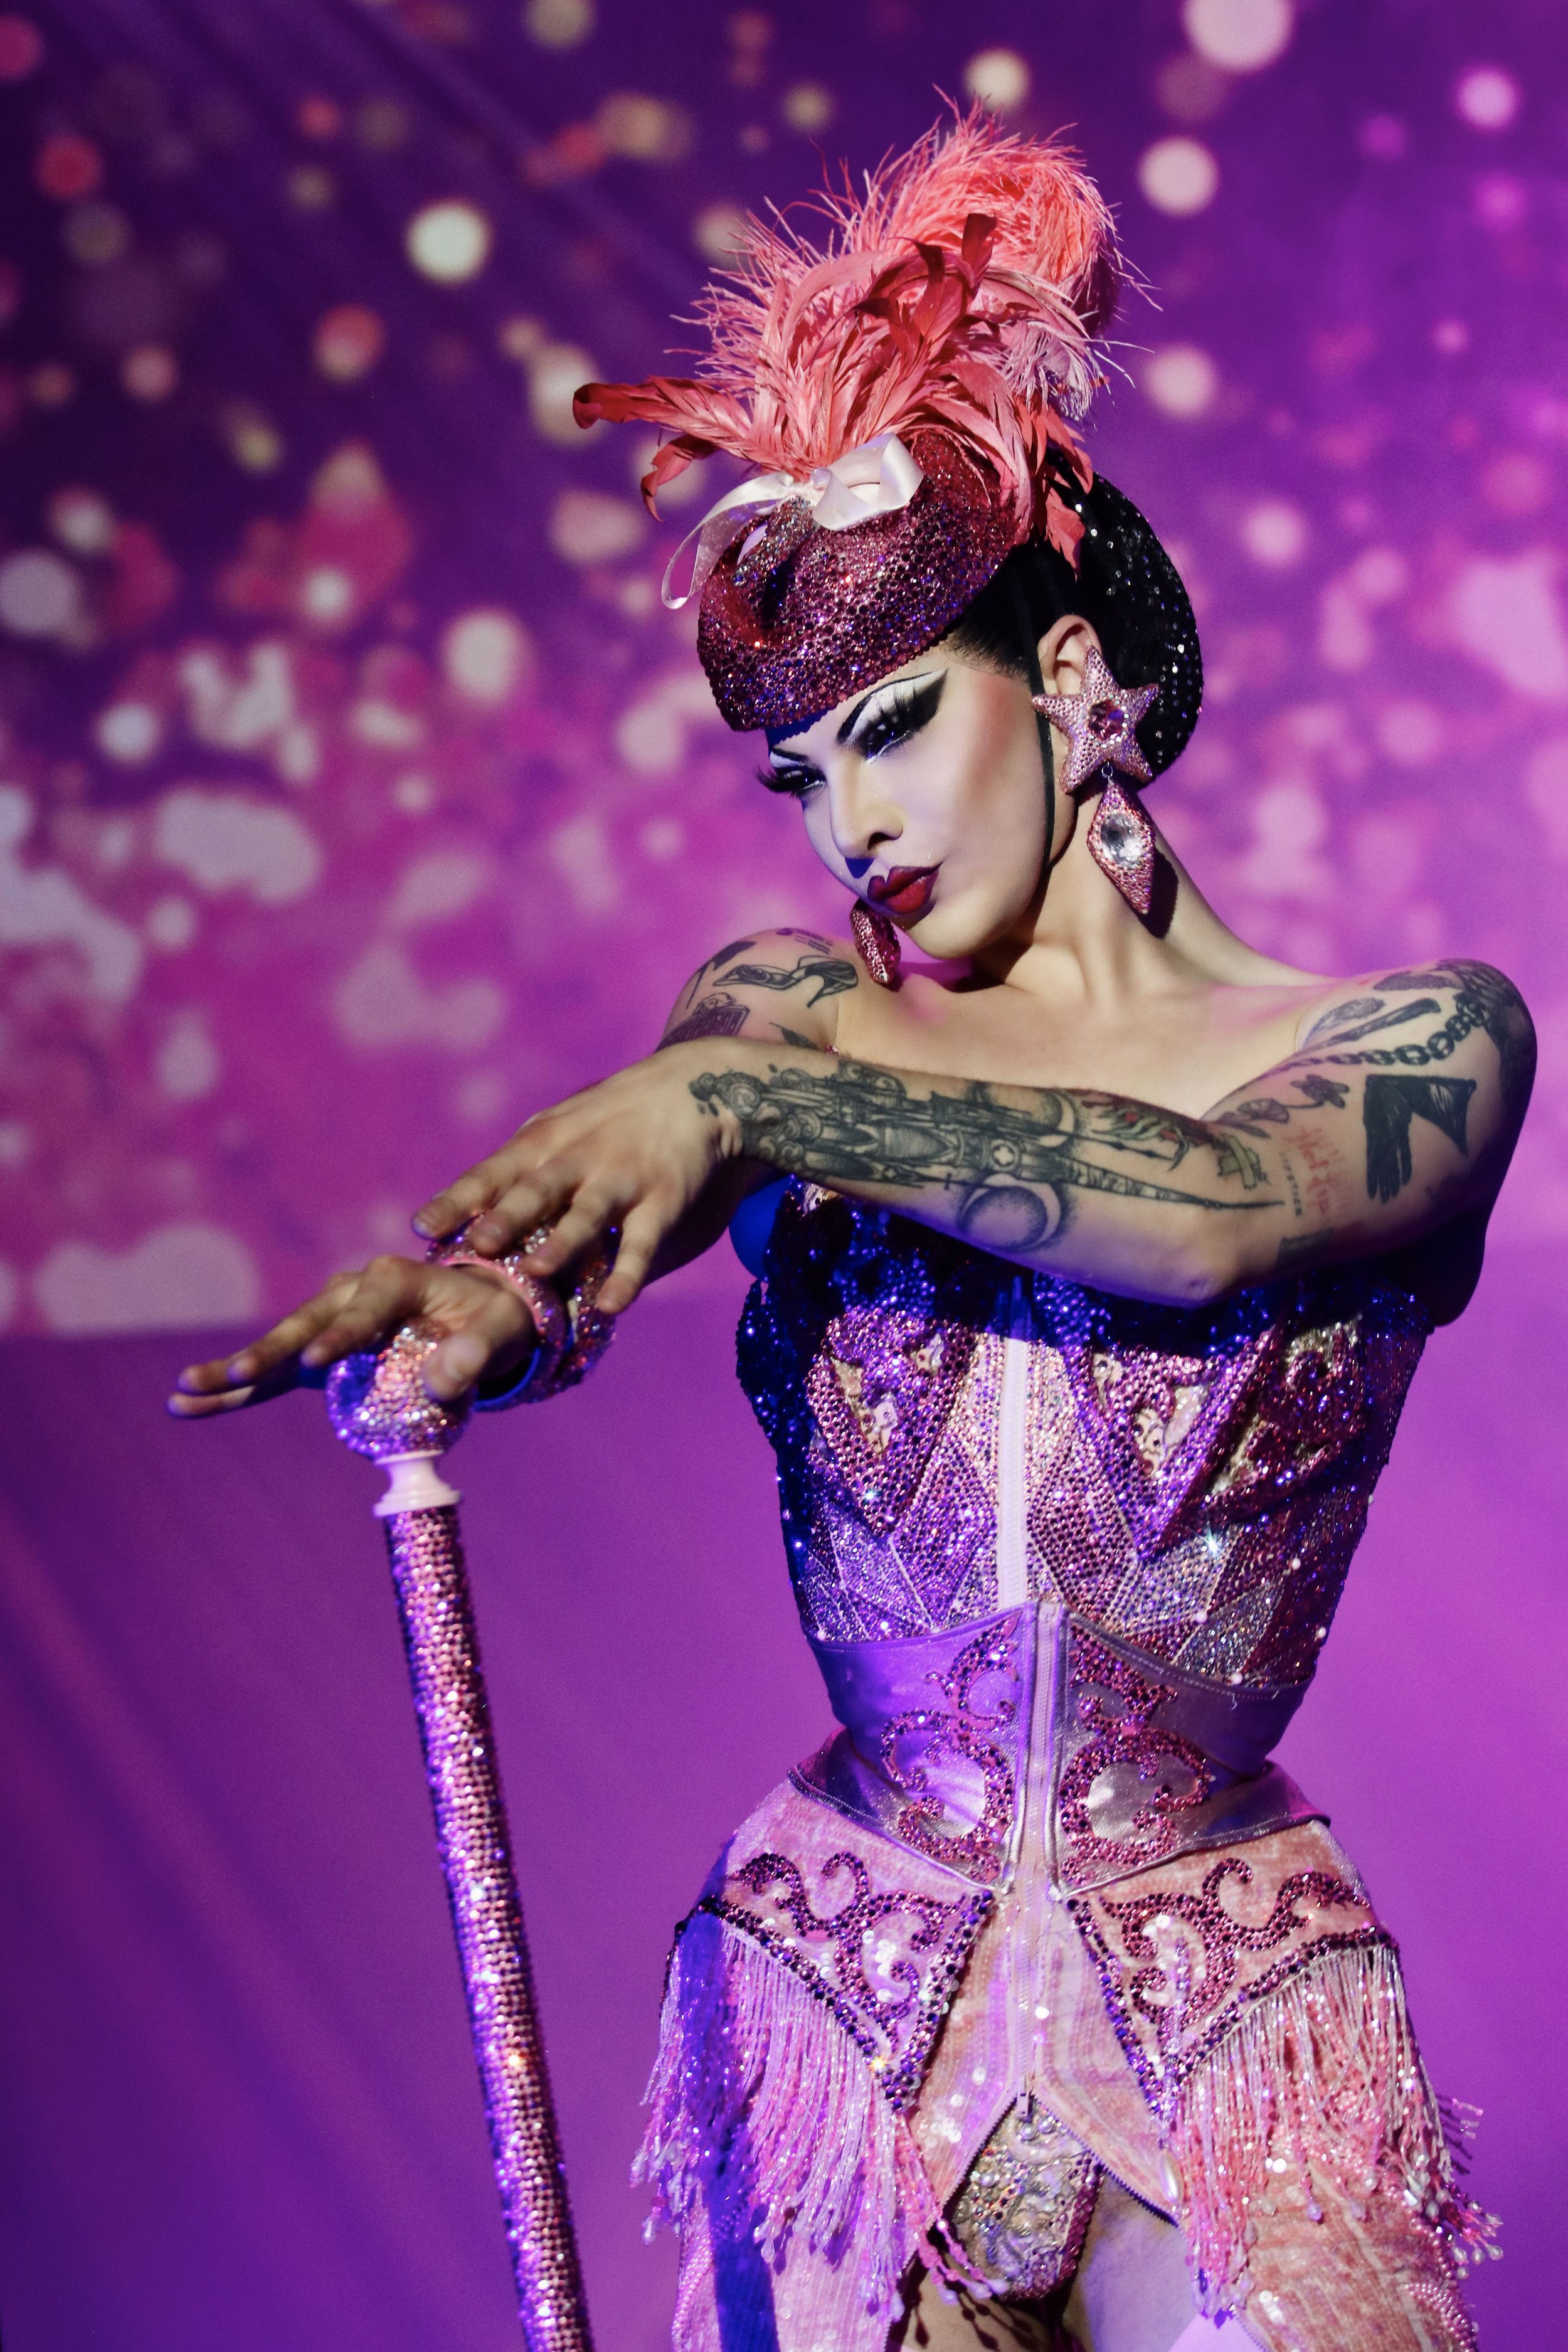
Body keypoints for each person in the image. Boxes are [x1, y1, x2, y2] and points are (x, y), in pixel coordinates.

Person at [169, 114, 1530, 2352]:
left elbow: (1220, 1218)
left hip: (1230, 2016)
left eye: (893, 729)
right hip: (847, 1996)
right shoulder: (792, 1014)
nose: (851, 825)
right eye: (801, 777)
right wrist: (481, 1299)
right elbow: (625, 1210)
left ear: (1069, 676)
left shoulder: (1414, 1039)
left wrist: (745, 1105)